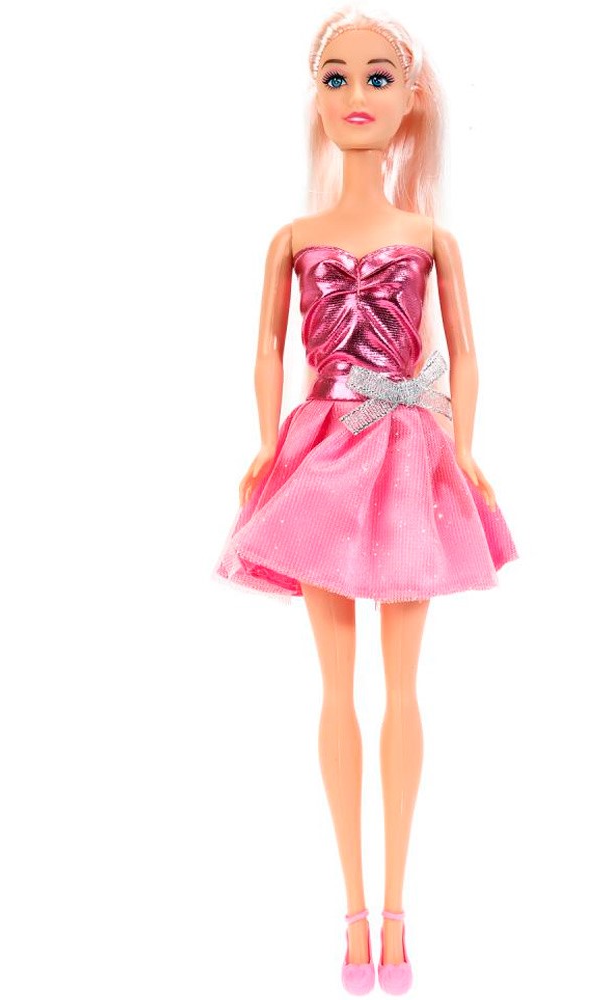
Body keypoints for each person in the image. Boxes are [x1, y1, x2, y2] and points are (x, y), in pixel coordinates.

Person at [213, 9, 516, 994]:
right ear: (316, 97)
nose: (356, 95)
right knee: (336, 688)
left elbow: (466, 352)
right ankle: (354, 910)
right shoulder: (292, 238)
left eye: (378, 77)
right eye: (336, 77)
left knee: (403, 688)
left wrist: (464, 449)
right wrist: (267, 441)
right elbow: (266, 347)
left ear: (411, 98)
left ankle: (397, 906)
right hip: (320, 452)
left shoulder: (430, 236)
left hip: (407, 452)